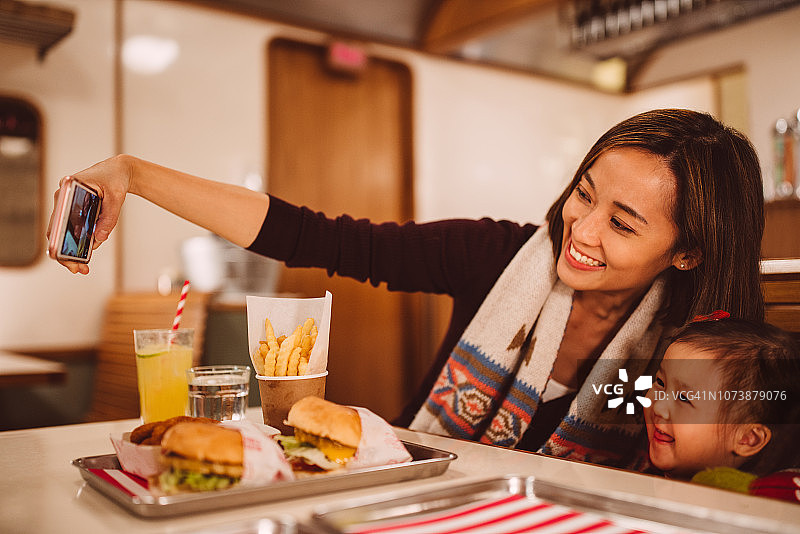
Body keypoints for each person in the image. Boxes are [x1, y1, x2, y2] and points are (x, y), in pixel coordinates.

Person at [48, 109, 766, 468]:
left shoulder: (702, 349)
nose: (581, 228)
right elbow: (315, 236)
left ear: (688, 251)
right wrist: (133, 175)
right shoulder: (494, 255)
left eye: (624, 223)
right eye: (583, 194)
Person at [643, 315, 800, 480]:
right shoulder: (643, 471)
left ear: (747, 439)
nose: (658, 407)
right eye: (660, 382)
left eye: (684, 398)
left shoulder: (746, 501)